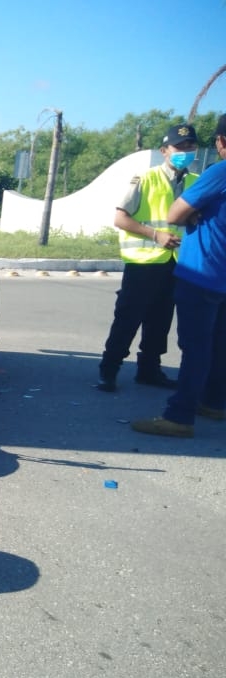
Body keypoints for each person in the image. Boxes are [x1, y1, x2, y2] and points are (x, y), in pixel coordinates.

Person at [132, 113, 226, 438]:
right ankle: (214, 402)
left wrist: (193, 213)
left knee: (196, 346)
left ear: (220, 142)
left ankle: (180, 416)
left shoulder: (219, 171)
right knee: (218, 344)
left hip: (202, 272)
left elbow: (174, 214)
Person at [96, 123, 200, 392]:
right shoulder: (146, 178)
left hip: (177, 263)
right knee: (128, 318)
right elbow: (120, 218)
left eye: (190, 147)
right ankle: (109, 370)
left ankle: (149, 370)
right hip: (143, 262)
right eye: (179, 147)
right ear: (165, 150)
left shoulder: (195, 182)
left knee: (161, 320)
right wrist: (156, 235)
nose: (185, 152)